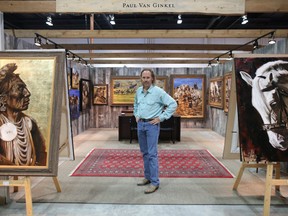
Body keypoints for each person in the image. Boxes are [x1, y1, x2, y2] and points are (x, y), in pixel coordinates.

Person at [134, 68, 177, 194]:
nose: (146, 80)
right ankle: (147, 177)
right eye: (144, 77)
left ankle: (154, 182)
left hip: (152, 126)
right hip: (141, 125)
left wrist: (161, 118)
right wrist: (136, 114)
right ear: (141, 78)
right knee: (145, 153)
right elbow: (135, 104)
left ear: (152, 78)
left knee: (152, 154)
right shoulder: (138, 91)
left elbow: (173, 104)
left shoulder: (158, 92)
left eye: (148, 77)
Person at [0, 63, 47, 166]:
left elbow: (42, 156)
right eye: (20, 89)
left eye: (25, 88)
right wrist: (13, 167)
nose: (27, 93)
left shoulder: (30, 123)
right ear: (3, 98)